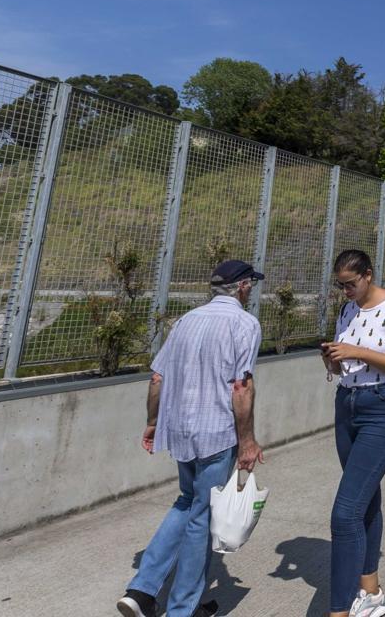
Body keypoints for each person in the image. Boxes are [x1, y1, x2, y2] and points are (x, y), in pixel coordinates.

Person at [116, 260, 264, 617]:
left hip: (180, 429)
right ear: (242, 287)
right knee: (202, 516)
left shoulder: (186, 321)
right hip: (216, 433)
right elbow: (241, 387)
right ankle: (182, 609)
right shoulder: (244, 324)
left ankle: (141, 590)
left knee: (187, 501)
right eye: (251, 286)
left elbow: (157, 378)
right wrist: (247, 442)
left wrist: (152, 422)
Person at [320, 249, 385, 617]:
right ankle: (371, 592)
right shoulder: (347, 310)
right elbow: (345, 360)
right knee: (364, 499)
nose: (345, 291)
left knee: (344, 514)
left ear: (368, 275)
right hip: (347, 405)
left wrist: (357, 351)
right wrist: (333, 358)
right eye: (340, 285)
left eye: (350, 284)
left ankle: (339, 610)